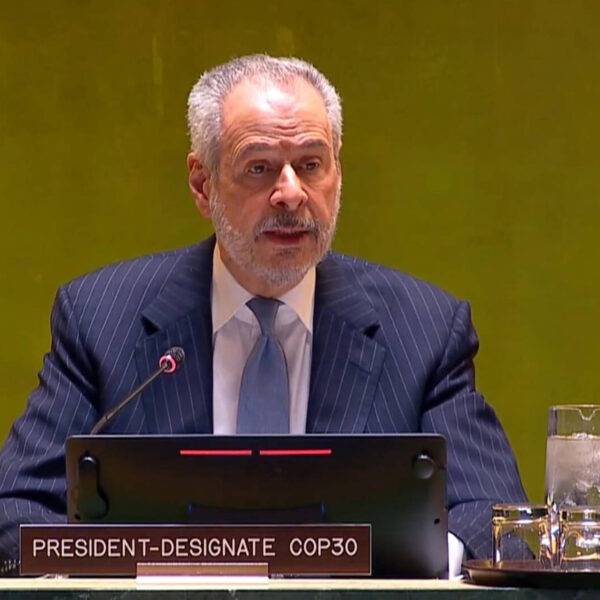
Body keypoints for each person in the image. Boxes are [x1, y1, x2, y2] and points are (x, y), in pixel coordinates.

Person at [0, 54, 526, 575]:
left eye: (311, 164)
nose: (291, 193)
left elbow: (498, 520)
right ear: (202, 184)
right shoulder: (101, 320)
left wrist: (411, 562)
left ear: (338, 172)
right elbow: (15, 510)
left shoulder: (424, 331)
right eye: (260, 168)